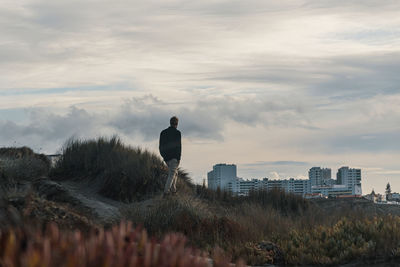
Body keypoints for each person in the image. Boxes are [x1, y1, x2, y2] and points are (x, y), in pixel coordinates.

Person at [159, 116, 181, 196]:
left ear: (170, 123)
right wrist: (178, 158)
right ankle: (166, 192)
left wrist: (163, 155)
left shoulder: (163, 132)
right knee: (172, 174)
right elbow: (179, 147)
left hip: (166, 158)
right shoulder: (177, 133)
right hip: (174, 158)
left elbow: (160, 146)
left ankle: (173, 190)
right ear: (177, 124)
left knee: (175, 172)